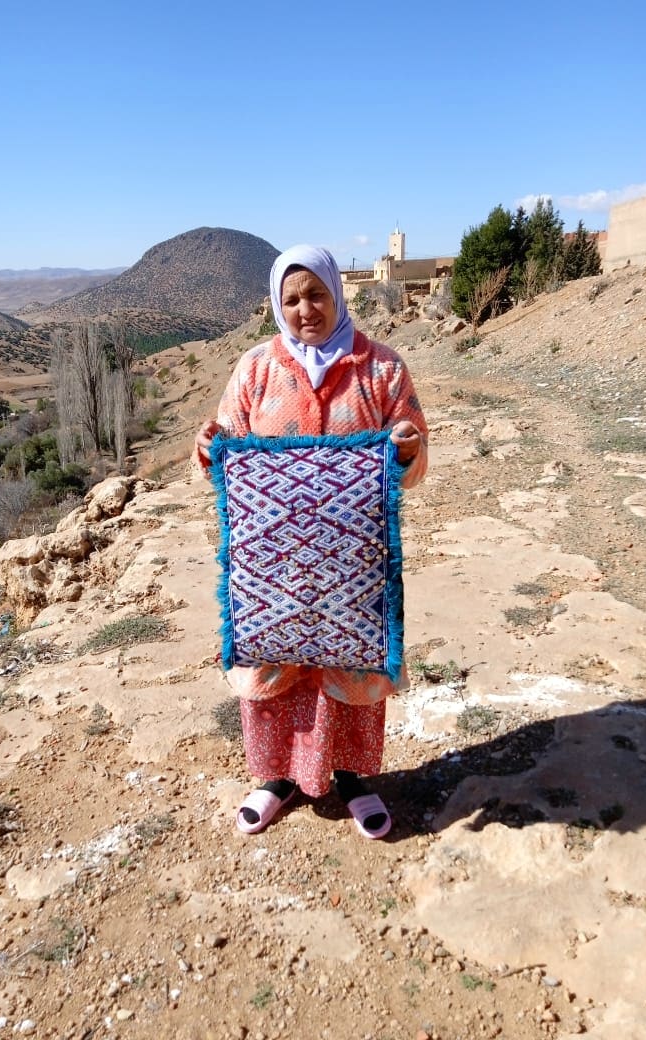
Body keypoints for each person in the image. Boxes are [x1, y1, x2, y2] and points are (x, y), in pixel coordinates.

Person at [194, 244, 428, 839]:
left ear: (337, 294)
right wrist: (209, 446)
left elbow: (413, 457)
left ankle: (350, 778)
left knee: (350, 666)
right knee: (278, 669)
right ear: (277, 304)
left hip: (355, 566)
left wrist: (405, 448)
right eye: (291, 299)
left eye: (316, 294)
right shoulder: (254, 369)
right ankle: (276, 778)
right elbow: (225, 456)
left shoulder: (381, 369)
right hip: (275, 569)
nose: (306, 309)